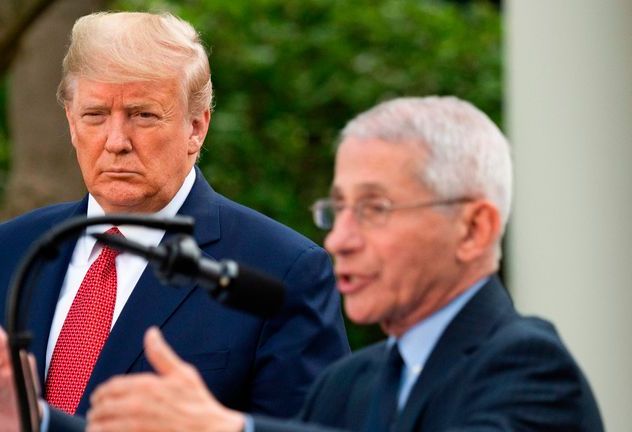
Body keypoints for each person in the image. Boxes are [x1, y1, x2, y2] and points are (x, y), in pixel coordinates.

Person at [84, 96, 604, 432]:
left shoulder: (532, 367)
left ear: (473, 229)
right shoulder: (347, 384)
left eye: (375, 209)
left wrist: (229, 429)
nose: (341, 241)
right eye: (338, 209)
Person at [0, 11, 349, 432]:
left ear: (196, 126)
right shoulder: (6, 252)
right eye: (95, 115)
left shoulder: (282, 269)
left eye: (143, 115)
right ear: (71, 122)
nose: (116, 142)